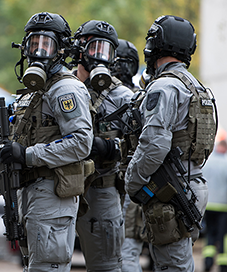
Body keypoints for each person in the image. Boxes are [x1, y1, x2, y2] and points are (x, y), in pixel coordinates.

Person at [0, 12, 93, 272]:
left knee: (47, 267)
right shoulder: (34, 93)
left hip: (52, 194)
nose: (38, 51)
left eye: (46, 44)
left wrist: (26, 155)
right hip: (29, 194)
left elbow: (81, 143)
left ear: (60, 50)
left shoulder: (65, 89)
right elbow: (10, 125)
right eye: (33, 44)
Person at [125, 15, 216, 271]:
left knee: (172, 266)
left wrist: (132, 180)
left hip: (171, 190)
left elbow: (154, 144)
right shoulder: (196, 86)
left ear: (158, 44)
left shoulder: (163, 87)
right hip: (192, 182)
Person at [71, 20, 133, 272]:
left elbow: (146, 145)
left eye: (106, 49)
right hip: (58, 190)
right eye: (93, 47)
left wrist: (113, 148)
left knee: (107, 267)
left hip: (102, 189)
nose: (99, 56)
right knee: (47, 264)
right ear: (79, 49)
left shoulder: (124, 97)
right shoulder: (61, 88)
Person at [110, 38, 146, 272]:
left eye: (124, 63)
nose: (120, 69)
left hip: (129, 188)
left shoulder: (137, 99)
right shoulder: (103, 98)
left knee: (127, 253)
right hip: (109, 187)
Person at [202, 138, 227, 272]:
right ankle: (223, 265)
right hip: (223, 206)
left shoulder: (208, 162)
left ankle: (208, 261)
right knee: (223, 236)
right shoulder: (226, 162)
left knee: (210, 234)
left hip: (208, 204)